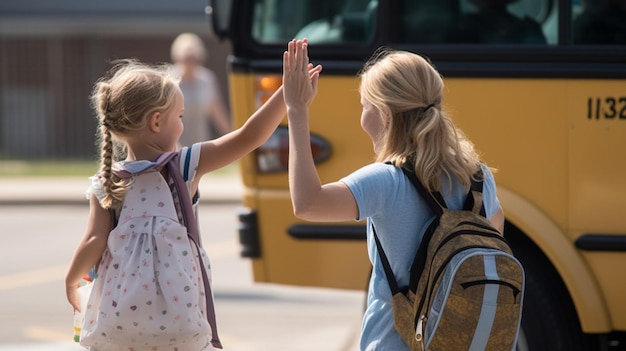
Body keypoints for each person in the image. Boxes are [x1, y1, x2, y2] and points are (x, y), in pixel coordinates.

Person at [65, 40, 320, 350]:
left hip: (117, 326)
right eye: (180, 116)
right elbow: (249, 137)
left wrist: (72, 278)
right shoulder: (185, 166)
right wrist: (286, 95)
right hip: (180, 326)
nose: (183, 124)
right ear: (157, 121)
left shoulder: (107, 181)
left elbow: (94, 240)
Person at [282, 48, 505, 350]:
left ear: (384, 114)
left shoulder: (386, 180)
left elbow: (307, 203)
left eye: (364, 106)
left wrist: (297, 110)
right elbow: (495, 230)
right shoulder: (478, 177)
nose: (362, 117)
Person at [171, 33, 231, 147]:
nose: (190, 63)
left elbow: (217, 111)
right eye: (187, 58)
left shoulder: (207, 79)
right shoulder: (170, 80)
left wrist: (231, 136)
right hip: (175, 146)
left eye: (194, 59)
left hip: (199, 145)